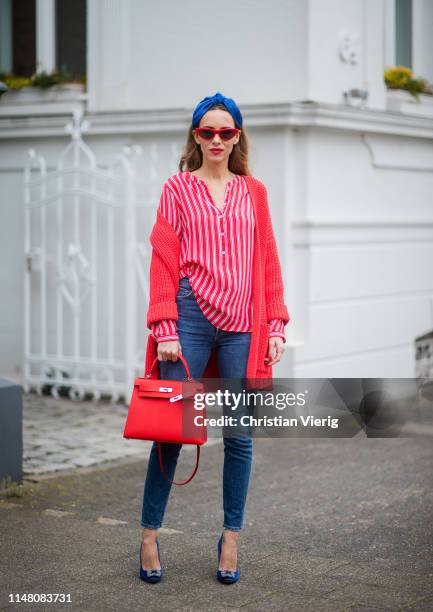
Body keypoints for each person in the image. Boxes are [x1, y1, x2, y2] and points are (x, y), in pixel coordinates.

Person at [139, 92, 290, 584]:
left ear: (238, 136)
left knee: (239, 437)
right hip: (189, 321)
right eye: (208, 131)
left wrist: (276, 324)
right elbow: (164, 259)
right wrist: (165, 327)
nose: (218, 140)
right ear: (196, 137)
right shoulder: (177, 189)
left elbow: (267, 259)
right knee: (170, 433)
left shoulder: (255, 192)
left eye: (227, 132)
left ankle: (230, 538)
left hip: (243, 326)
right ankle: (148, 535)